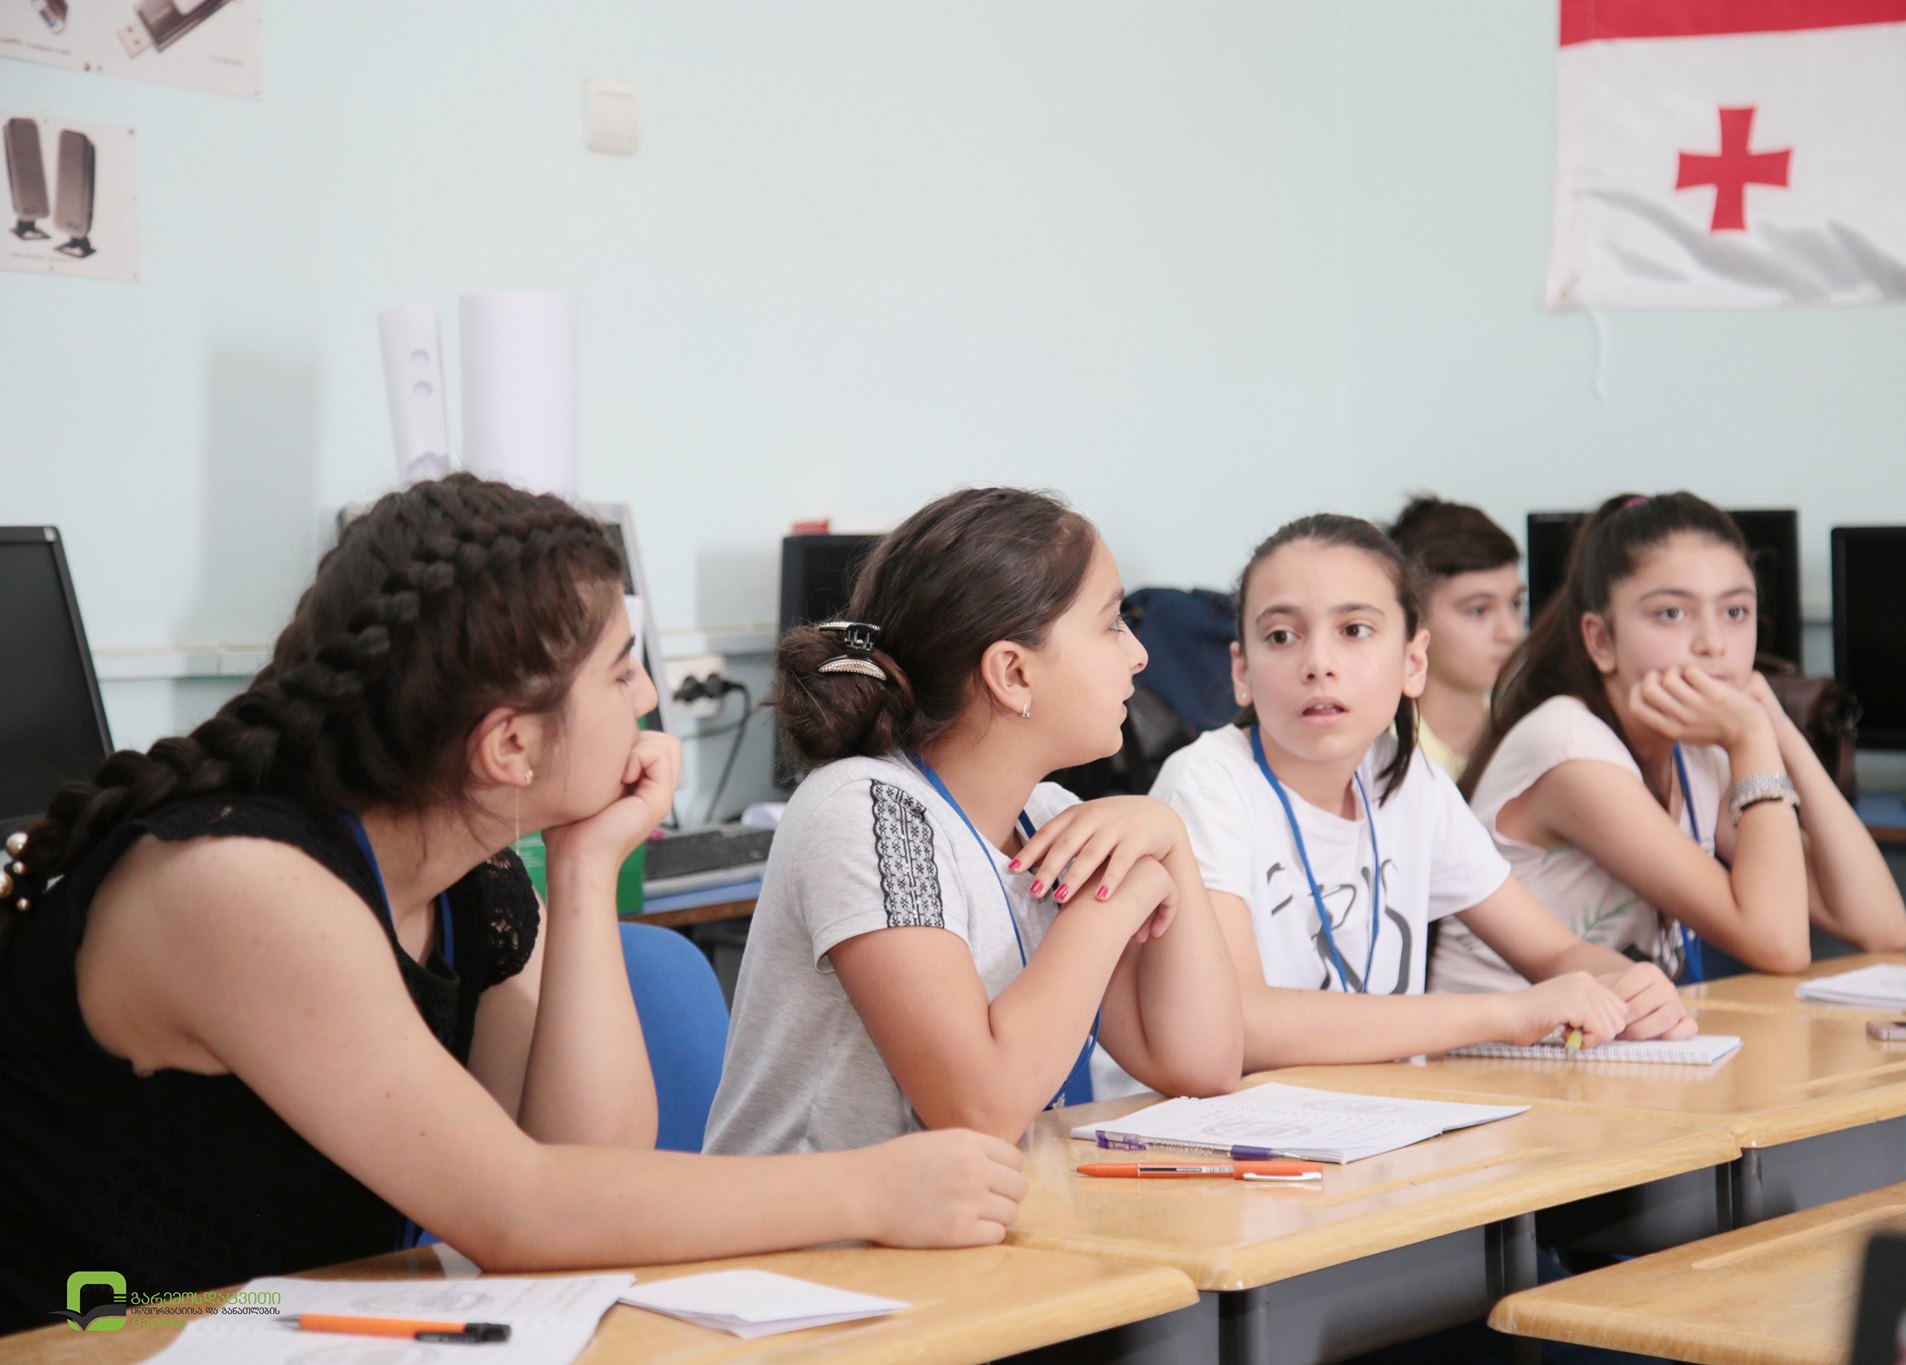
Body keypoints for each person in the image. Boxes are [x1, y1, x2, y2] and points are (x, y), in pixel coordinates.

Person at [0, 475, 1025, 1335]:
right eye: (620, 672)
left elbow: (585, 1176)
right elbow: (520, 1213)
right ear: (509, 746)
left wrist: (582, 871)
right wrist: (873, 1187)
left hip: (274, 1336)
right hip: (91, 1343)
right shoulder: (243, 886)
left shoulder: (468, 873)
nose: (647, 699)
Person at [705, 487, 1242, 1154]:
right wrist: (1114, 902)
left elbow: (1203, 1064)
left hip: (977, 1211)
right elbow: (977, 1109)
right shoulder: (868, 810)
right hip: (819, 1221)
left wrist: (1172, 842)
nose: (1139, 654)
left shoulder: (1050, 819)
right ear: (1012, 673)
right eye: (1111, 624)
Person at [1150, 512, 1695, 1070]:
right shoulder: (1207, 785)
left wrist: (1627, 987)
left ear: (1413, 662)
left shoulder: (1410, 782)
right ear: (1242, 671)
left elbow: (1554, 951)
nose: (1318, 664)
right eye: (1281, 636)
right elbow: (1240, 1022)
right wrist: (1507, 1013)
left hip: (1376, 1113)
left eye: (1354, 630)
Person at [1434, 492, 1906, 994]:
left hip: (1610, 1035)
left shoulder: (1698, 751)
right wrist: (1750, 737)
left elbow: (1880, 925)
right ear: (1601, 640)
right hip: (1498, 1041)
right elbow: (1780, 944)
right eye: (1671, 613)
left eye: (1735, 611)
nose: (1713, 644)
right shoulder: (1570, 748)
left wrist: (1778, 729)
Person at [1386, 495, 1526, 780]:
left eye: (1515, 604)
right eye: (1478, 610)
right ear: (1413, 617)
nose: (1510, 632)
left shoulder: (1525, 733)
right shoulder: (1378, 746)